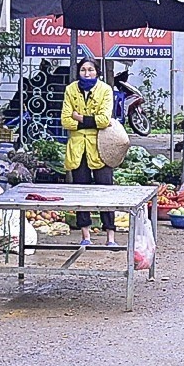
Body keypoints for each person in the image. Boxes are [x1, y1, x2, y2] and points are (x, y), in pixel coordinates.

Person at [61, 58, 118, 244]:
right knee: (81, 191)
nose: (87, 73)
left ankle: (110, 236)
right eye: (83, 70)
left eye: (91, 70)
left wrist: (79, 118)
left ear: (97, 72)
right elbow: (65, 120)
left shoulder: (105, 90)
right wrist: (90, 121)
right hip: (78, 148)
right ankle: (85, 235)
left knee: (105, 190)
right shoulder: (71, 90)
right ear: (79, 72)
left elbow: (104, 120)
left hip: (100, 146)